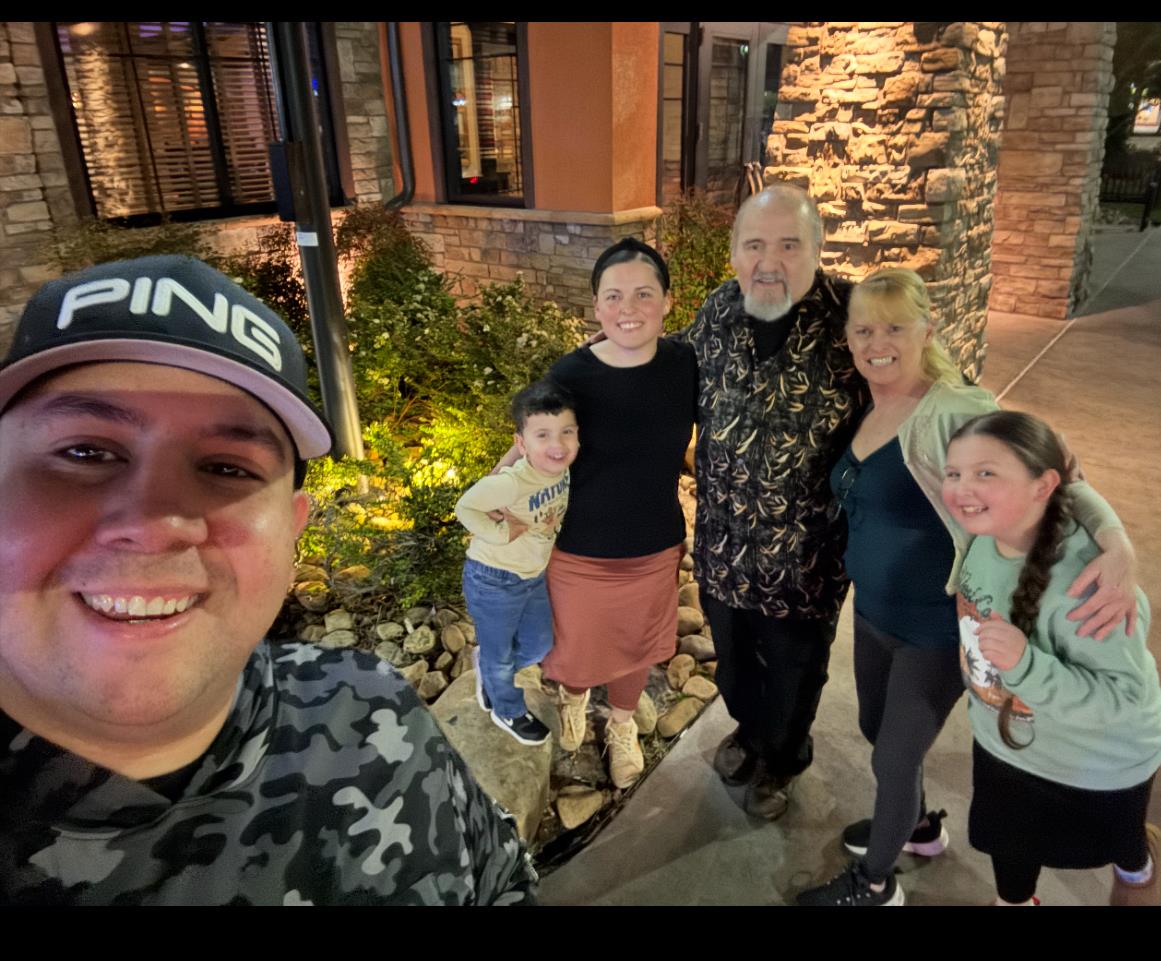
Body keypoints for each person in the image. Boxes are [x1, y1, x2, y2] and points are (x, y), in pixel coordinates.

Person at [0, 255, 537, 905]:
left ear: (292, 528)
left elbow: (500, 878)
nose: (156, 522)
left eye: (227, 467)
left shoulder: (369, 710)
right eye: (85, 451)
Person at [794, 268, 1139, 906]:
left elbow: (1059, 471)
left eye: (895, 326)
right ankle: (919, 828)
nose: (878, 341)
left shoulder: (957, 408)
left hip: (933, 624)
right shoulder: (868, 400)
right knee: (876, 728)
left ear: (926, 329)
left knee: (895, 757)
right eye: (864, 328)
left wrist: (1117, 543)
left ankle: (875, 885)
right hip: (872, 614)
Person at [682, 184, 868, 818]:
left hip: (805, 562)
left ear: (818, 249)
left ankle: (782, 761)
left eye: (790, 245)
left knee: (793, 677)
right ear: (733, 252)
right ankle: (749, 732)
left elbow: (936, 394)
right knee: (733, 669)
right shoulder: (716, 313)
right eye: (755, 244)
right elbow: (654, 380)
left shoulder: (854, 318)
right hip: (722, 550)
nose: (770, 261)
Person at [944, 411, 1161, 907]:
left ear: (1042, 485)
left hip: (1093, 767)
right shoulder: (986, 530)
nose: (962, 487)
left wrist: (1026, 666)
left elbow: (1124, 701)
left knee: (1119, 848)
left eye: (986, 473)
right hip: (1006, 745)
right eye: (954, 473)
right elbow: (1069, 480)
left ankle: (1138, 867)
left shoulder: (1092, 586)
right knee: (1008, 848)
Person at [520, 237, 695, 790]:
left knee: (636, 647)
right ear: (596, 306)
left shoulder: (686, 365)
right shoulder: (572, 374)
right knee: (575, 649)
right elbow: (534, 443)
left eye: (644, 294)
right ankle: (574, 698)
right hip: (579, 547)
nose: (628, 308)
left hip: (653, 542)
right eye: (614, 296)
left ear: (667, 301)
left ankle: (621, 726)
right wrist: (496, 502)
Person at [455, 379, 578, 746]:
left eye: (566, 433)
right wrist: (499, 532)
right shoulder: (513, 483)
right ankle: (505, 709)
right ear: (522, 443)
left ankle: (491, 665)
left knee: (539, 644)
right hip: (494, 579)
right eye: (542, 435)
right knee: (501, 659)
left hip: (531, 576)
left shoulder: (559, 467)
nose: (556, 445)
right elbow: (466, 506)